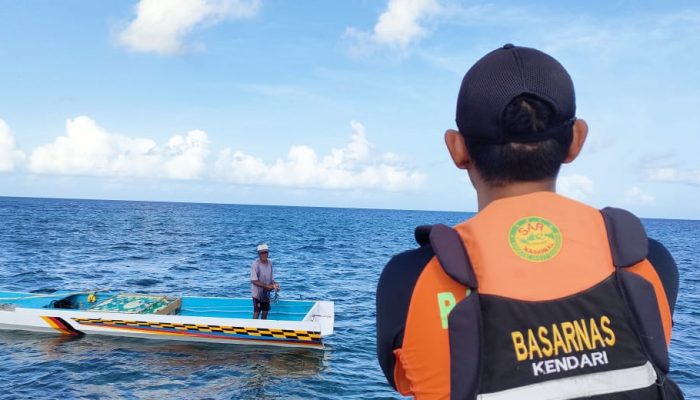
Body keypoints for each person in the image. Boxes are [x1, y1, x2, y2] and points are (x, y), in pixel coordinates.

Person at [376, 44, 682, 399]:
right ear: (576, 141)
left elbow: (406, 381)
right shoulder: (647, 261)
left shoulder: (410, 279)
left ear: (456, 149)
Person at [251, 243, 279, 320]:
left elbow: (272, 278)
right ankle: (253, 328)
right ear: (258, 254)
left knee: (265, 312)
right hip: (257, 294)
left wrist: (275, 285)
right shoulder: (255, 264)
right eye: (262, 253)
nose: (264, 254)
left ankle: (262, 329)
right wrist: (267, 286)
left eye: (266, 252)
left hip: (266, 294)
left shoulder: (270, 263)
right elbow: (254, 280)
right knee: (256, 312)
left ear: (268, 253)